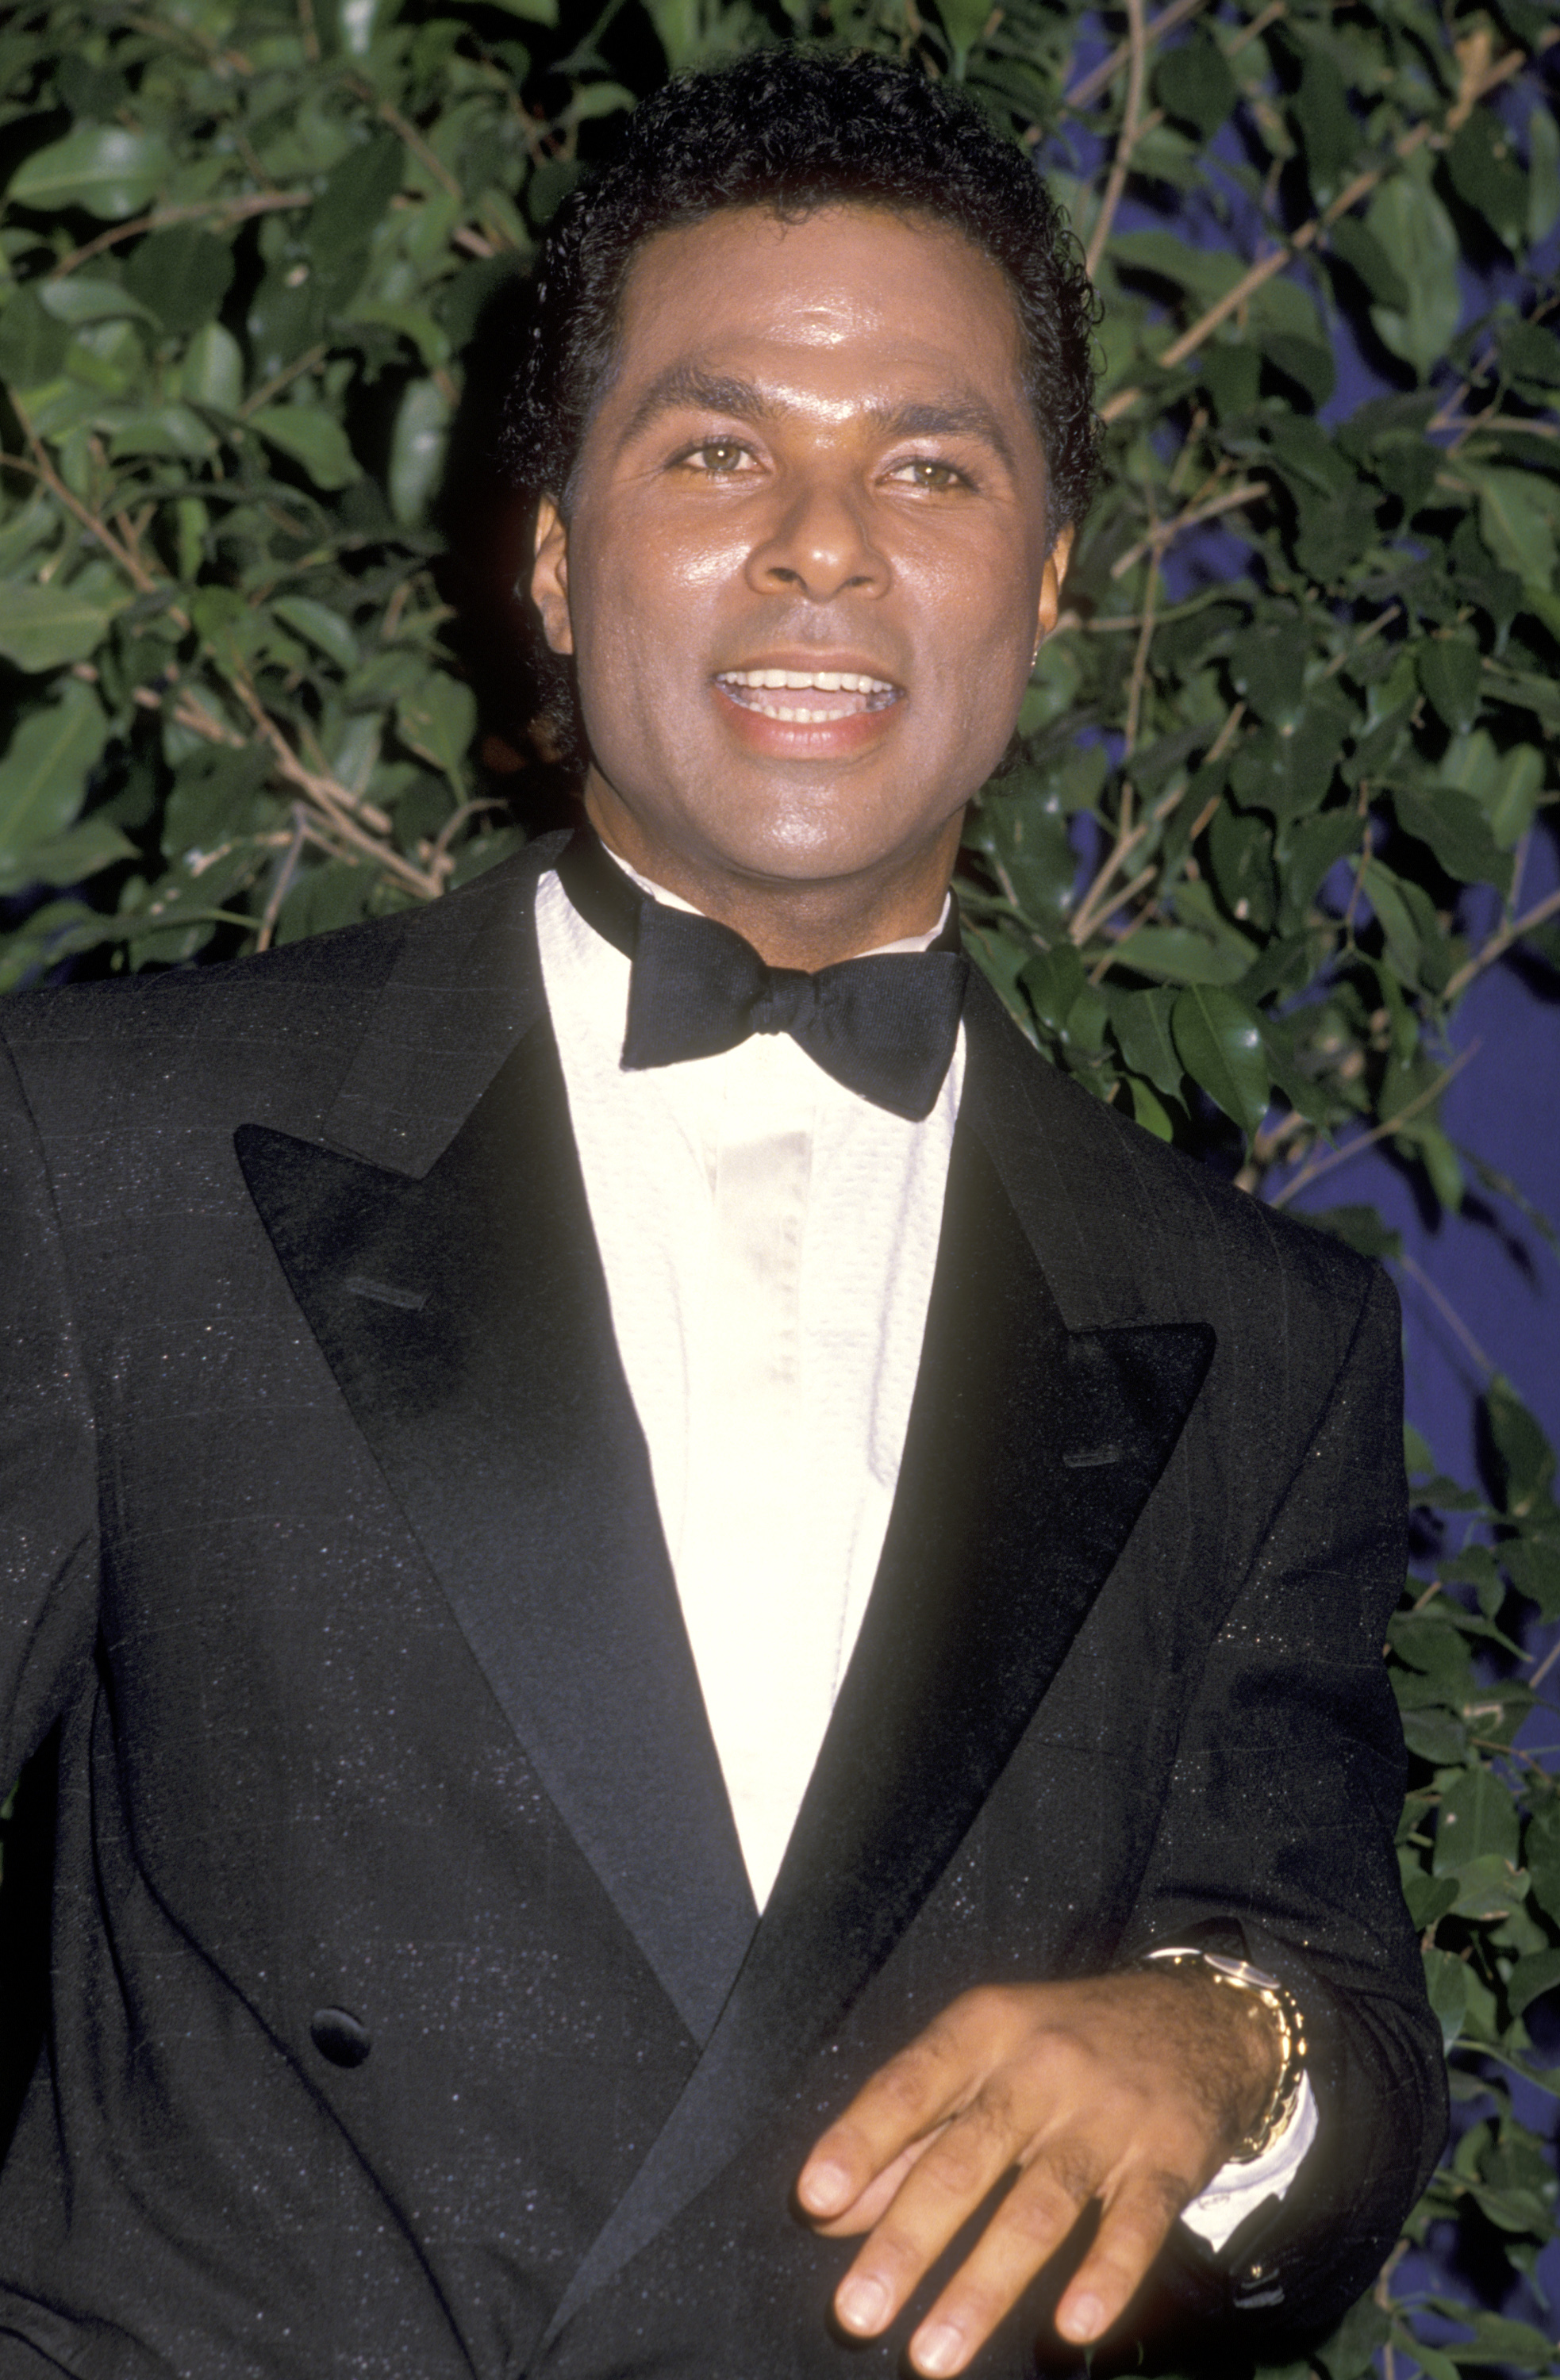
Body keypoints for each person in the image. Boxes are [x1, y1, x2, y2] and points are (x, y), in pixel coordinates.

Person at [0, 46, 1443, 2380]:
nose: (821, 542)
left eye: (931, 466)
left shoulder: (1265, 1335)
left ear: (1050, 583)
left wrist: (1221, 2044)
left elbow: (1342, 2021)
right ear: (553, 558)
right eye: (714, 450)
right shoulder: (101, 1150)